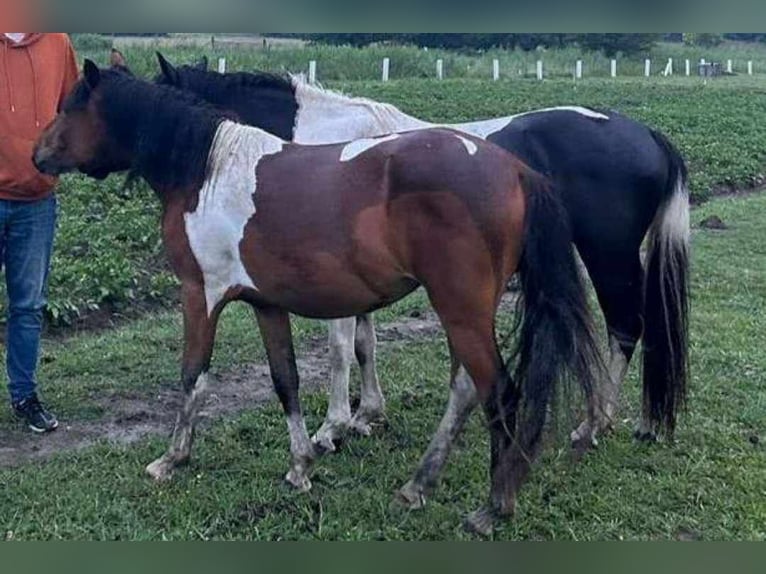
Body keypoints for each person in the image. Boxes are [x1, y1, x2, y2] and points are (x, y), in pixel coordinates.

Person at [0, 33, 78, 432]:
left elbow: (71, 110)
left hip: (36, 201)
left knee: (27, 306)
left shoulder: (57, 42)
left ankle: (25, 395)